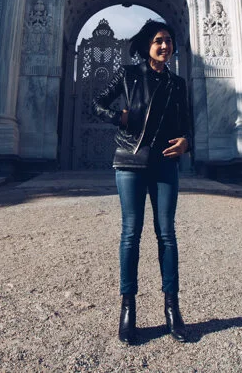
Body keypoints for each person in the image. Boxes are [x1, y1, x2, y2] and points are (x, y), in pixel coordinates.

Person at [92, 19, 193, 345]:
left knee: (167, 234)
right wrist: (117, 117)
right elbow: (97, 104)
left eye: (168, 41)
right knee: (130, 234)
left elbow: (188, 125)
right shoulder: (128, 74)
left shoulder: (178, 84)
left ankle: (172, 308)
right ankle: (128, 309)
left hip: (164, 163)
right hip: (130, 161)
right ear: (147, 45)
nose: (164, 46)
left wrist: (186, 143)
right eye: (158, 41)